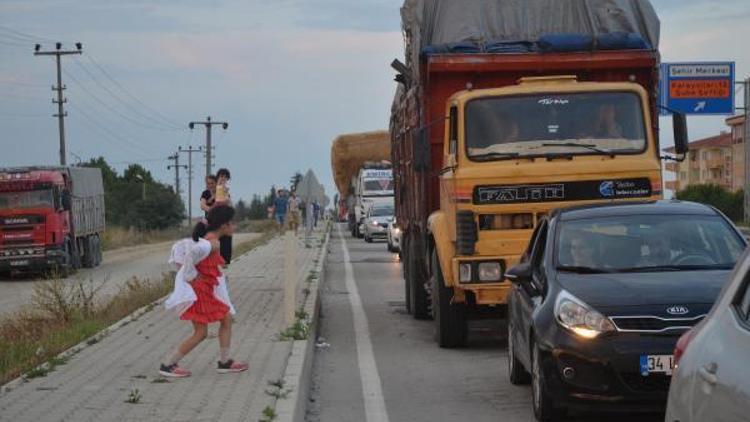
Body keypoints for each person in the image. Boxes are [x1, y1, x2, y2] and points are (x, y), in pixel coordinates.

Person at [161, 205, 248, 377]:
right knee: (201, 333)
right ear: (223, 225)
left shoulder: (211, 240)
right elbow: (190, 256)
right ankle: (167, 364)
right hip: (199, 293)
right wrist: (191, 275)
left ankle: (224, 362)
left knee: (226, 319)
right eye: (232, 223)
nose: (234, 227)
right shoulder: (212, 243)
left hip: (205, 291)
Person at [215, 168, 233, 264]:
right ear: (218, 177)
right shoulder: (215, 189)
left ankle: (226, 259)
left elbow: (229, 203)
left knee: (227, 238)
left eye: (226, 177)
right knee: (219, 238)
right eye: (222, 176)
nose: (223, 179)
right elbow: (218, 202)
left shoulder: (225, 189)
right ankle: (220, 259)